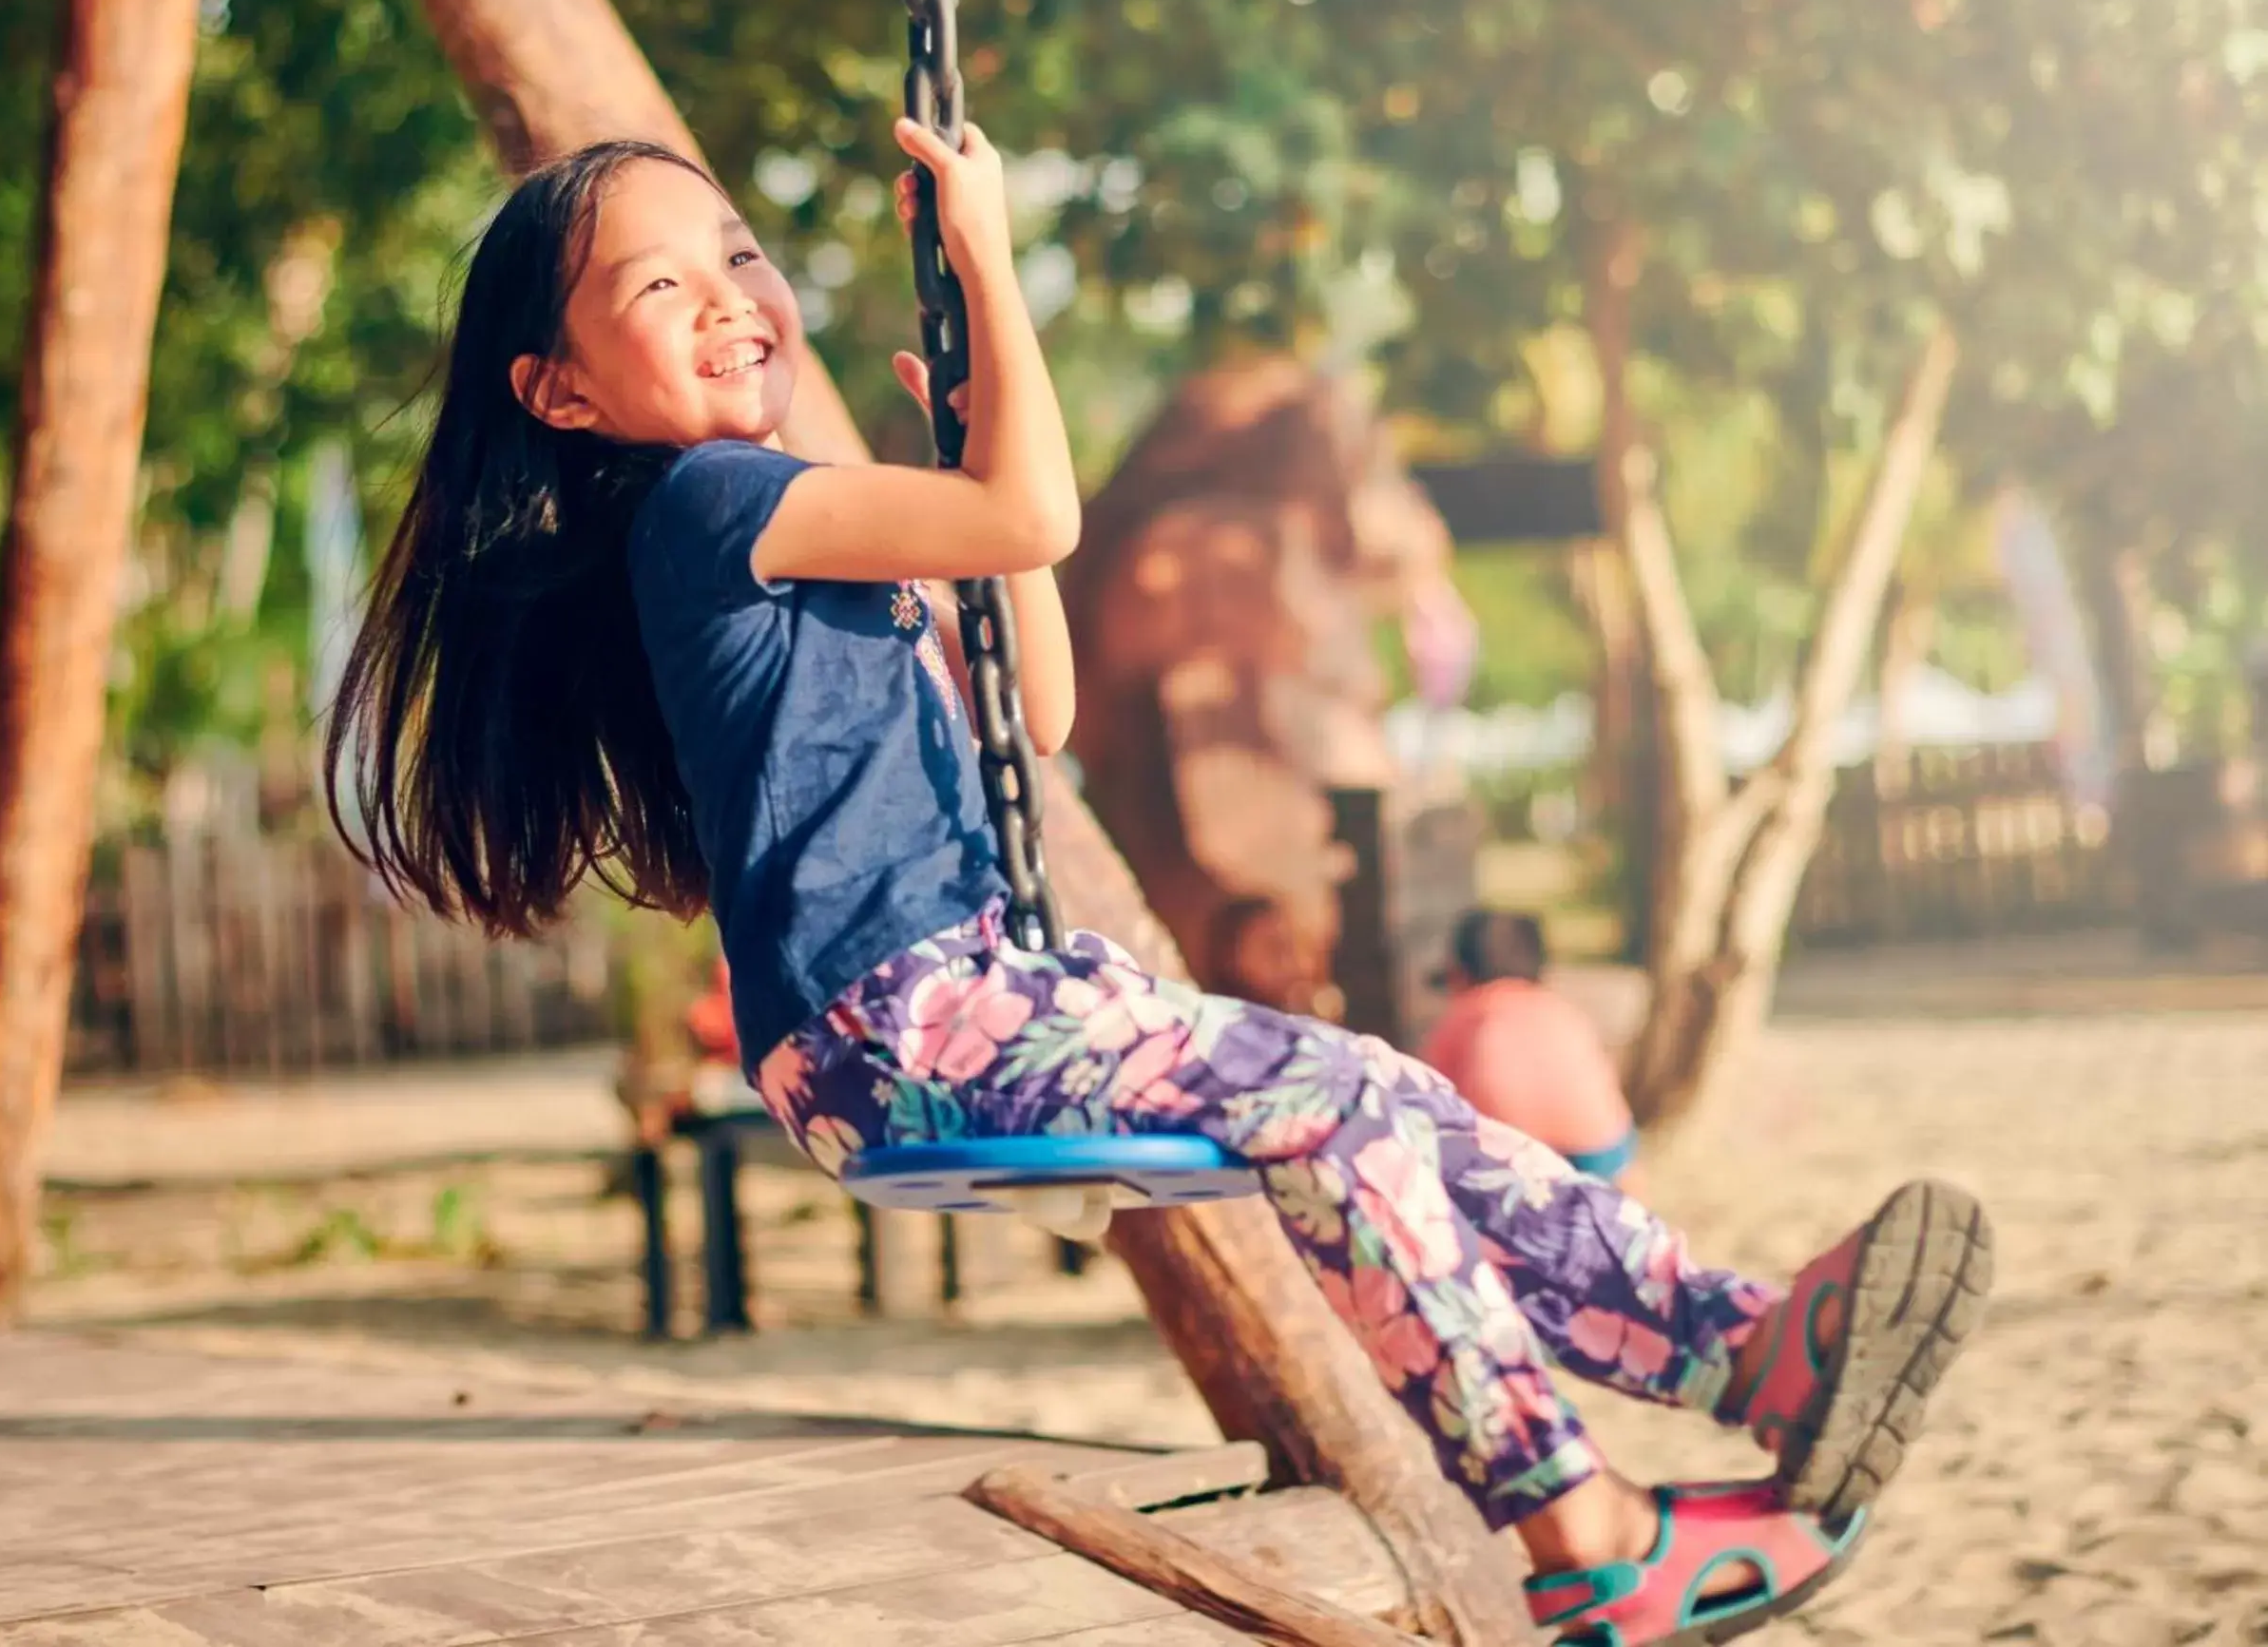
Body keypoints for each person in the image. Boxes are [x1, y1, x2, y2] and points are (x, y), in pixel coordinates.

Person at [325, 125, 1994, 1645]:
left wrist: (973, 438)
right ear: (560, 394)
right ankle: (1582, 1530)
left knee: (1385, 1091)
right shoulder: (705, 503)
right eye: (660, 287)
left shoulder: (777, 530)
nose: (729, 299)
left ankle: (1744, 1351)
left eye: (738, 258)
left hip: (968, 998)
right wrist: (986, 257)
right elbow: (1033, 511)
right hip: (900, 1019)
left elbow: (1030, 710)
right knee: (1332, 1101)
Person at [1419, 909, 1642, 1191]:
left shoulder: (1463, 1016)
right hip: (1596, 1146)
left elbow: (1426, 1102)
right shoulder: (1561, 1010)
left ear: (1459, 975)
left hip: (1513, 1156)